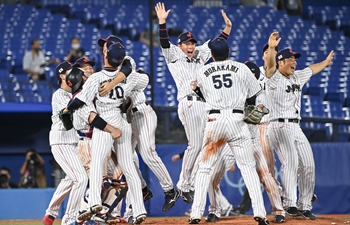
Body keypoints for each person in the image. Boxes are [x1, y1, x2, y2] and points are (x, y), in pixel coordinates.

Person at [155, 2, 232, 203]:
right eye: (187, 43)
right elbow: (164, 42)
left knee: (204, 145)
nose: (190, 46)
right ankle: (183, 185)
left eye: (192, 43)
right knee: (196, 144)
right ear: (180, 45)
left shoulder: (199, 54)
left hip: (203, 104)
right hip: (188, 102)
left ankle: (187, 184)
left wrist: (227, 30)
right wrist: (162, 23)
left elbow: (215, 44)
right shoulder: (174, 55)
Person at [188, 37, 269, 225]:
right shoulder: (241, 68)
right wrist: (253, 112)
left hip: (214, 121)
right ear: (229, 51)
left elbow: (201, 95)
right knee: (248, 168)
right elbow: (255, 96)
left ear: (212, 54)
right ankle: (260, 213)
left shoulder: (203, 71)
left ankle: (195, 214)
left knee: (204, 169)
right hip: (237, 120)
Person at [65, 43, 147, 225]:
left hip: (106, 121)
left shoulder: (97, 78)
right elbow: (145, 79)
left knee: (97, 163)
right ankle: (139, 210)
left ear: (106, 57)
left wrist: (68, 108)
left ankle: (94, 202)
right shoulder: (126, 77)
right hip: (122, 120)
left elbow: (77, 102)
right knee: (129, 166)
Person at [265, 32, 334, 220]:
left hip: (296, 126)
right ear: (281, 62)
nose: (294, 61)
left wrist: (326, 63)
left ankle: (305, 204)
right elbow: (270, 66)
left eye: (295, 58)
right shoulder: (274, 77)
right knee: (291, 162)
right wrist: (271, 48)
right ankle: (289, 203)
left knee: (309, 165)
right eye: (290, 59)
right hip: (277, 126)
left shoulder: (297, 76)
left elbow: (312, 69)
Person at [42, 61, 89, 225]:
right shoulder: (59, 94)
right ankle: (69, 220)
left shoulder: (75, 94)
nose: (73, 73)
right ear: (62, 76)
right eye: (69, 71)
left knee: (70, 179)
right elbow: (67, 116)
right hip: (61, 140)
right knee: (81, 178)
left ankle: (50, 214)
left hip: (74, 141)